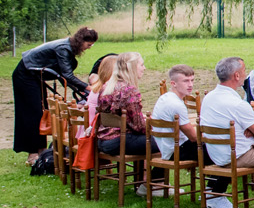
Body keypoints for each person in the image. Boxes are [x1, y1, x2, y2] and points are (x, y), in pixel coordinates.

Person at [12, 25, 96, 166]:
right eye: (88, 44)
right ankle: (32, 153)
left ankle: (41, 150)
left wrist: (81, 90)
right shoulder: (63, 49)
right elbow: (68, 75)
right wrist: (89, 88)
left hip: (35, 74)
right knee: (33, 113)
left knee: (41, 109)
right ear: (81, 41)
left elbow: (63, 76)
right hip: (25, 74)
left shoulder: (67, 48)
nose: (89, 47)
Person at [200, 57, 254, 208]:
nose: (245, 74)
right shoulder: (237, 104)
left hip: (216, 153)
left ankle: (214, 192)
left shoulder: (209, 97)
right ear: (237, 75)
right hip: (237, 156)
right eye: (244, 71)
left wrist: (252, 130)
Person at [97, 53, 153, 191]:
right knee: (166, 143)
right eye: (141, 64)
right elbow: (139, 127)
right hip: (119, 142)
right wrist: (155, 127)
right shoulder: (129, 90)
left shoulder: (106, 87)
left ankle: (143, 182)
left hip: (103, 141)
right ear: (132, 67)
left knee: (154, 141)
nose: (144, 68)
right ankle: (152, 185)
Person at [151, 63, 200, 166]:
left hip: (166, 148)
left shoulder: (164, 98)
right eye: (186, 81)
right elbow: (194, 137)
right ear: (173, 83)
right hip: (176, 151)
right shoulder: (176, 104)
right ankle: (216, 182)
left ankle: (156, 178)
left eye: (192, 80)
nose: (190, 85)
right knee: (220, 151)